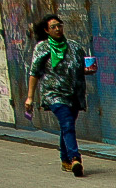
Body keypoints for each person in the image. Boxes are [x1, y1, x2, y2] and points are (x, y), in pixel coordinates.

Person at [22, 13, 93, 176]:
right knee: (67, 123)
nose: (57, 29)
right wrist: (30, 97)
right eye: (53, 27)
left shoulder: (74, 46)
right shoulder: (43, 48)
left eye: (59, 25)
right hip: (54, 94)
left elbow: (82, 66)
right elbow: (34, 72)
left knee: (67, 126)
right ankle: (75, 158)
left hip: (74, 93)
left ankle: (65, 160)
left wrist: (88, 68)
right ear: (47, 30)